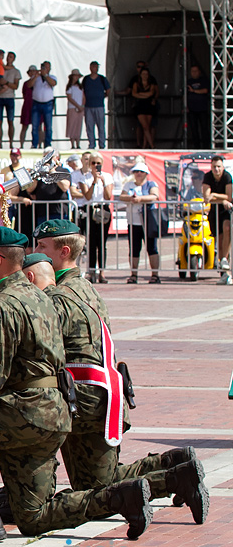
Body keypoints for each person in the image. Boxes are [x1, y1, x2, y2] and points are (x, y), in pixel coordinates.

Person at [0, 225, 155, 543]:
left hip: (23, 413)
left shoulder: (2, 306)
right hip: (54, 414)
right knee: (33, 517)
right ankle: (123, 497)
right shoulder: (42, 299)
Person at [29, 222, 208, 528]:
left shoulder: (60, 295)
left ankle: (174, 478)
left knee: (94, 489)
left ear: (64, 252)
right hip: (103, 392)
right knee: (102, 478)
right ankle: (175, 469)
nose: (36, 253)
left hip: (83, 395)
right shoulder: (86, 288)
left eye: (42, 247)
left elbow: (43, 349)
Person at [120, 160, 161, 284]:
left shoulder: (151, 184)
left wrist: (140, 199)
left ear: (146, 173)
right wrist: (131, 198)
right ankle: (133, 274)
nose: (138, 174)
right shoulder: (129, 185)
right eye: (136, 171)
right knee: (134, 248)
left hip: (148, 221)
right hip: (133, 221)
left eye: (141, 172)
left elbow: (155, 196)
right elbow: (122, 196)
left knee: (152, 248)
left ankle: (155, 274)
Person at [77, 152, 114, 283]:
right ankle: (92, 271)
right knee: (91, 243)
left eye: (98, 163)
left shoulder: (107, 176)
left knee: (102, 243)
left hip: (103, 209)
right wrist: (94, 181)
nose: (96, 166)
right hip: (90, 209)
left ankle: (102, 273)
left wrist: (103, 182)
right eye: (93, 163)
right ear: (89, 163)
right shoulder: (85, 177)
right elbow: (87, 196)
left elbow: (108, 196)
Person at [202, 154, 233, 284]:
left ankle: (225, 259)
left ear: (223, 166)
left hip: (226, 210)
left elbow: (229, 197)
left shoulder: (227, 176)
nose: (217, 169)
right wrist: (221, 198)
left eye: (219, 166)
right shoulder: (208, 176)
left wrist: (215, 195)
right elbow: (206, 197)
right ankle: (224, 272)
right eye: (214, 167)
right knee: (219, 240)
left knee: (227, 229)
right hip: (214, 211)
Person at [27, 61, 57, 149]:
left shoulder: (52, 77)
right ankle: (34, 144)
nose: (45, 69)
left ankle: (47, 144)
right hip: (36, 103)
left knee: (48, 125)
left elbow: (53, 83)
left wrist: (45, 75)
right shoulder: (36, 77)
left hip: (47, 103)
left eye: (47, 68)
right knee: (35, 125)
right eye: (44, 67)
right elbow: (29, 85)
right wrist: (36, 76)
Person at [82, 61, 111, 149]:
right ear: (90, 67)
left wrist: (103, 96)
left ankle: (102, 145)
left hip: (99, 105)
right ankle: (91, 144)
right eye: (94, 66)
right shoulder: (86, 79)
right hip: (88, 106)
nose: (96, 68)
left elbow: (108, 90)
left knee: (101, 126)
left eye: (97, 66)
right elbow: (82, 91)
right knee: (89, 126)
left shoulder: (102, 78)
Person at [0, 51, 19, 148]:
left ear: (13, 59)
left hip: (9, 97)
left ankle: (11, 143)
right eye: (8, 57)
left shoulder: (16, 71)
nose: (8, 58)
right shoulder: (0, 68)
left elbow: (16, 86)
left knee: (10, 121)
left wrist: (6, 83)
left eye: (11, 57)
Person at [132, 68, 158, 149]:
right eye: (143, 74)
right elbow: (134, 94)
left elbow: (151, 93)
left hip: (149, 106)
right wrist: (145, 95)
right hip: (140, 107)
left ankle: (144, 145)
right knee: (145, 126)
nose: (145, 76)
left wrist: (140, 94)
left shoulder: (151, 84)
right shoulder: (136, 84)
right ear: (140, 75)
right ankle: (152, 145)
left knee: (148, 126)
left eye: (146, 74)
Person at [187, 65, 211, 149]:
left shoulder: (203, 80)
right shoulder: (188, 81)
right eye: (192, 71)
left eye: (195, 71)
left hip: (202, 108)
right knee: (194, 129)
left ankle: (206, 147)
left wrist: (194, 91)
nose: (194, 73)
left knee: (204, 128)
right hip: (191, 109)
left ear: (199, 72)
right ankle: (196, 147)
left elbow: (205, 90)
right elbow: (185, 95)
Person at [65, 69, 84, 149]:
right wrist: (77, 105)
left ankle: (78, 143)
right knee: (72, 125)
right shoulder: (69, 87)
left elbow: (83, 97)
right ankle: (72, 144)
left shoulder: (80, 87)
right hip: (72, 107)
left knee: (78, 125)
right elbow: (70, 98)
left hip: (80, 108)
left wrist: (82, 105)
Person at [19, 65, 37, 148]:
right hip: (27, 105)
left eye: (34, 71)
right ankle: (21, 145)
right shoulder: (26, 83)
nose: (33, 73)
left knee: (37, 127)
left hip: (36, 105)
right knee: (24, 126)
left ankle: (37, 144)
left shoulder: (39, 83)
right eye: (31, 71)